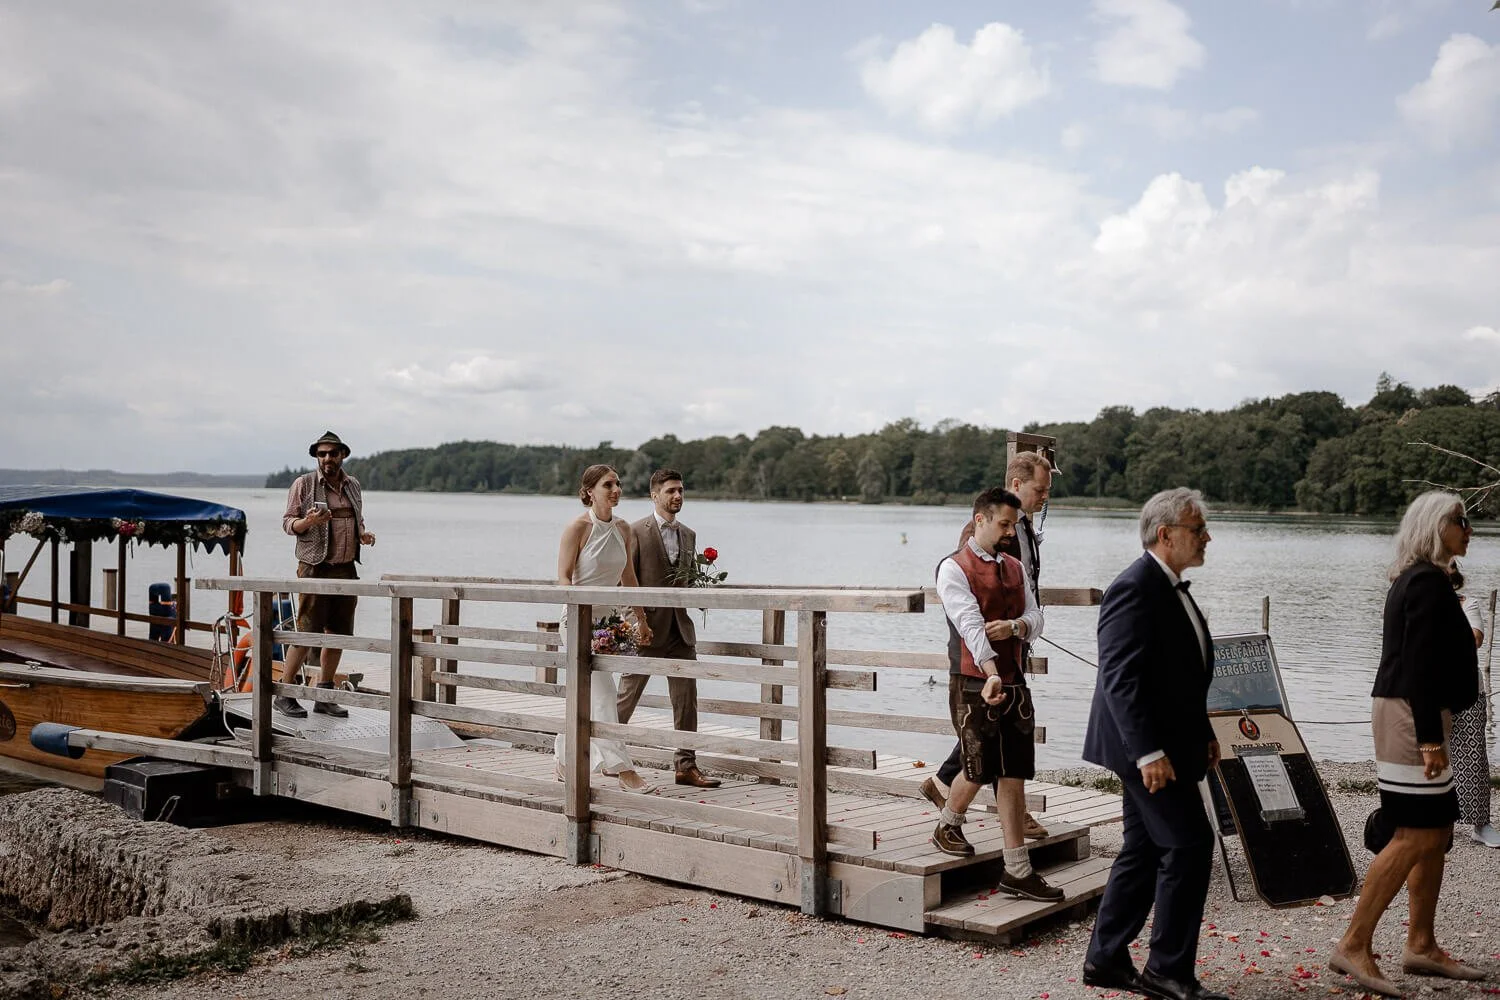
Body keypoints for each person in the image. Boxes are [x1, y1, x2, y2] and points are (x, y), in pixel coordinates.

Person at [1329, 493, 1484, 996]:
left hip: (1421, 712)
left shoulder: (1428, 580)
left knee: (1436, 831)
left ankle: (1420, 946)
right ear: (1436, 526)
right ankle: (1353, 943)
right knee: (1414, 833)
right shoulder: (1421, 582)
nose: (1469, 529)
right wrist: (1430, 739)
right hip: (1408, 716)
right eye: (1461, 521)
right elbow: (1417, 665)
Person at [1082, 487, 1227, 1000]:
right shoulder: (1135, 587)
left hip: (1166, 742)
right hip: (1143, 750)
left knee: (1143, 850)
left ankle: (1104, 959)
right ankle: (1167, 970)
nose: (1207, 536)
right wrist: (1148, 753)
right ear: (1166, 535)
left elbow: (1180, 677)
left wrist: (1204, 731)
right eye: (1198, 528)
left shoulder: (1171, 587)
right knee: (1189, 845)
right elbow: (1121, 680)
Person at [930, 487, 1060, 902]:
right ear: (980, 519)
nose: (1009, 532)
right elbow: (969, 624)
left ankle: (1017, 870)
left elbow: (1037, 617)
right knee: (980, 764)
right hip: (973, 678)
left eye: (1013, 525)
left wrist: (1016, 628)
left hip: (1014, 677)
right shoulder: (953, 568)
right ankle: (948, 821)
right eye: (1004, 524)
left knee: (1014, 770)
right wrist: (990, 672)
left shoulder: (1015, 567)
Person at [552, 464, 657, 794]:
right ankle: (623, 770)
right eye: (608, 484)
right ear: (589, 491)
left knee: (586, 696)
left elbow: (628, 578)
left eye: (618, 484)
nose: (616, 490)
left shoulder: (624, 528)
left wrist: (640, 619)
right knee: (605, 694)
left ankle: (564, 760)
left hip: (610, 624)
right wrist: (579, 607)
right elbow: (563, 577)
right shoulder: (578, 528)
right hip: (578, 622)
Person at [616, 469, 720, 788]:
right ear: (655, 495)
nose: (677, 496)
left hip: (680, 632)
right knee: (624, 700)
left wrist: (702, 588)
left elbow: (685, 582)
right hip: (645, 631)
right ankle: (598, 755)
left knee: (687, 699)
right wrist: (636, 624)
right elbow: (623, 582)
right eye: (671, 491)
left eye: (681, 491)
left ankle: (685, 766)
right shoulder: (634, 531)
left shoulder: (688, 534)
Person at [275, 431, 375, 719]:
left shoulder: (353, 485)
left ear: (343, 454)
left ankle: (324, 696)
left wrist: (363, 535)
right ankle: (284, 694)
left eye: (332, 453)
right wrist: (308, 521)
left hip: (346, 568)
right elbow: (287, 523)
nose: (327, 458)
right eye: (322, 454)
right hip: (314, 566)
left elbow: (357, 518)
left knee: (339, 634)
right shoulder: (303, 484)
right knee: (307, 632)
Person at [1448, 561, 1499, 848]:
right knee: (1423, 758)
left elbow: (1474, 640)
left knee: (1472, 757)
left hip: (1467, 691)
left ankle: (1480, 824)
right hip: (1424, 693)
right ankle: (1433, 823)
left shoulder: (1468, 603)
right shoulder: (1413, 602)